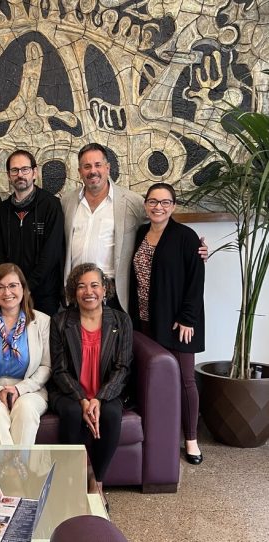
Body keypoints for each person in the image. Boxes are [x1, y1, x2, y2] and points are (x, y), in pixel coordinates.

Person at [62, 143, 207, 311]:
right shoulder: (67, 202)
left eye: (98, 165)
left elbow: (160, 222)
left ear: (108, 168)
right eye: (87, 166)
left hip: (113, 292)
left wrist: (191, 248)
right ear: (80, 171)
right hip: (76, 290)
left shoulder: (131, 201)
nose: (93, 171)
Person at [129, 182, 205, 465]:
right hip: (145, 321)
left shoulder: (186, 236)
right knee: (153, 379)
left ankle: (191, 439)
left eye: (164, 202)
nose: (158, 207)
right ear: (145, 205)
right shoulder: (140, 233)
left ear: (173, 206)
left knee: (185, 380)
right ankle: (160, 434)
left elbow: (196, 280)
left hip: (177, 323)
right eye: (152, 201)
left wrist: (187, 318)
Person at [49, 263, 132, 504]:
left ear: (105, 289)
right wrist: (83, 400)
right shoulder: (61, 321)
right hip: (69, 392)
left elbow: (123, 367)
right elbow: (59, 369)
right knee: (73, 413)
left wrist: (99, 398)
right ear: (73, 292)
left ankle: (97, 483)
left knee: (111, 414)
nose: (89, 292)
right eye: (81, 286)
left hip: (106, 391)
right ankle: (77, 479)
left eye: (95, 285)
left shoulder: (121, 320)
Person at [0, 263, 50, 445]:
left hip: (30, 390)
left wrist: (19, 389)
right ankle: (15, 465)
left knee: (25, 409)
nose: (7, 292)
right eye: (0, 287)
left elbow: (46, 366)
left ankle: (11, 465)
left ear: (23, 288)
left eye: (13, 285)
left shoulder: (42, 320)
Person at [0, 150, 64, 316]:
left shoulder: (51, 205)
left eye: (25, 169)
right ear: (9, 175)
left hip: (45, 294)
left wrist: (28, 286)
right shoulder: (2, 210)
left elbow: (51, 253)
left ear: (34, 172)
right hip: (11, 294)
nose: (20, 175)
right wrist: (12, 286)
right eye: (14, 170)